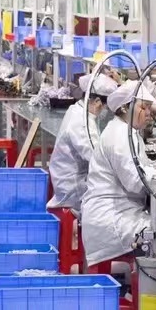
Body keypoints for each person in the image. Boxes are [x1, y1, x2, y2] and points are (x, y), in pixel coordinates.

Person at [81, 79, 156, 271]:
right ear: (125, 108)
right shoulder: (120, 136)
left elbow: (135, 166)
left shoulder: (125, 131)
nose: (149, 113)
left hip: (120, 210)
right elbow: (136, 181)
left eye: (149, 108)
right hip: (112, 219)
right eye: (144, 107)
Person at [47, 72, 116, 212]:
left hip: (70, 179)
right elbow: (97, 158)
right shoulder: (82, 122)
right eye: (106, 106)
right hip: (72, 189)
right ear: (97, 102)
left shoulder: (77, 109)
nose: (105, 111)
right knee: (118, 196)